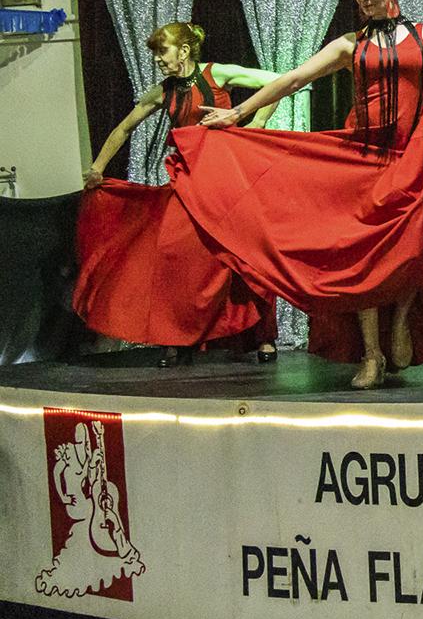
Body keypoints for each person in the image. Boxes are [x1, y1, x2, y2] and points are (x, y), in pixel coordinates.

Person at [196, 0, 423, 388]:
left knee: (412, 250)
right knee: (362, 257)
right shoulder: (350, 44)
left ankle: (400, 322)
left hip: (410, 155)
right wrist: (236, 114)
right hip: (362, 158)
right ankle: (371, 354)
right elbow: (292, 79)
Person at [75, 22, 281, 365]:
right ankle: (178, 337)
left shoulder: (217, 74)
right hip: (188, 179)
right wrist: (98, 167)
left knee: (244, 255)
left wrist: (254, 122)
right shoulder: (163, 91)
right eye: (155, 53)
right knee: (174, 257)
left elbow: (277, 81)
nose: (157, 59)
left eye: (162, 51)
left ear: (184, 51)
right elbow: (124, 128)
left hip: (226, 178)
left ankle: (264, 337)